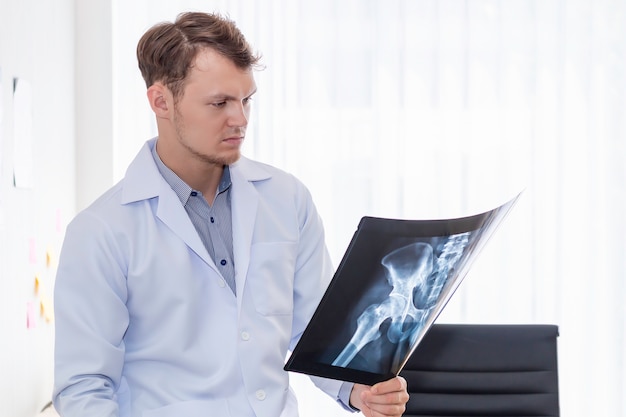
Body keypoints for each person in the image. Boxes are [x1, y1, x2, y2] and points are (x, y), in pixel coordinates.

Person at [52, 11, 409, 417]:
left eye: (246, 100)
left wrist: (358, 390)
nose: (239, 119)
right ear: (161, 101)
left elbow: (317, 333)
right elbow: (83, 389)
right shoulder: (100, 231)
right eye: (219, 102)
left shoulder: (286, 198)